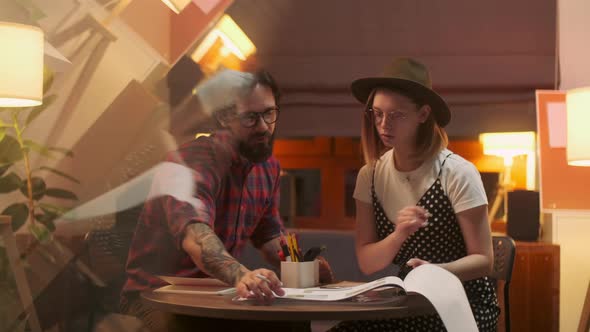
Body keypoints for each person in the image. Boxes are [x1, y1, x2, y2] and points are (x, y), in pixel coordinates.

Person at [121, 69, 331, 331]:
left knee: (292, 324)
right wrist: (243, 275)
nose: (264, 126)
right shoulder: (189, 163)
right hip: (156, 295)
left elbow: (269, 238)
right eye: (251, 118)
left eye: (269, 113)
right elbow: (195, 237)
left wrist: (303, 266)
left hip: (217, 294)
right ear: (223, 117)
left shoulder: (268, 168)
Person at [330, 58, 499, 331]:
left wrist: (435, 271)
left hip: (462, 303)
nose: (384, 124)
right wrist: (399, 234)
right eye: (377, 114)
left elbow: (484, 260)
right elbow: (368, 262)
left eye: (396, 115)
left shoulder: (456, 172)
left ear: (423, 114)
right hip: (409, 304)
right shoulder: (369, 176)